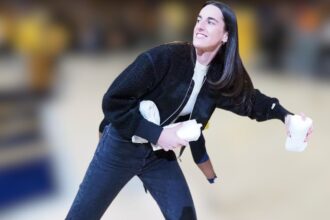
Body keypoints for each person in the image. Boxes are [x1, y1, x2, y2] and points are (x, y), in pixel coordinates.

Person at [66, 1, 313, 219]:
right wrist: (159, 134)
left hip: (158, 158)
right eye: (198, 19)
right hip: (120, 147)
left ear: (226, 35)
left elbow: (250, 100)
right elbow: (112, 101)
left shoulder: (218, 78)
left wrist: (286, 117)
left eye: (210, 21)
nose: (200, 25)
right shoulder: (164, 58)